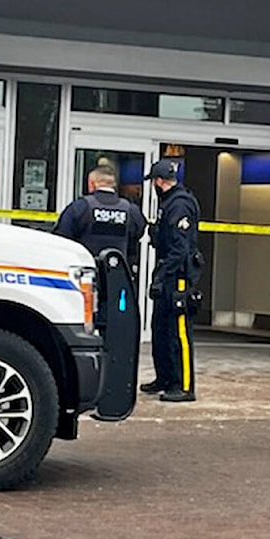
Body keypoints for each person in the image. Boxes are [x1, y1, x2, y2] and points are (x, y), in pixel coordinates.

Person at [139, 158, 203, 403]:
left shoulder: (179, 205)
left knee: (179, 333)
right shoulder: (169, 203)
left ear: (158, 181)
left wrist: (161, 276)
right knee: (161, 330)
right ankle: (165, 378)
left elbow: (180, 249)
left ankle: (185, 386)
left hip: (178, 277)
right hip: (168, 273)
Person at [53, 164, 146, 269]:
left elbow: (62, 237)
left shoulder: (81, 207)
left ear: (92, 184)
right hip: (117, 270)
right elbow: (138, 232)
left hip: (85, 269)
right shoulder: (130, 209)